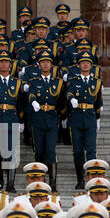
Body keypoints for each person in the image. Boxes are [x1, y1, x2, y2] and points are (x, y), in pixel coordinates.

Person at [0, 50, 24, 193]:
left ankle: (10, 183)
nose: (4, 64)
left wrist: (21, 121)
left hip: (12, 120)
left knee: (11, 153)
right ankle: (0, 181)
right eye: (1, 62)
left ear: (10, 65)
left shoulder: (17, 82)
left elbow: (20, 103)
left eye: (6, 62)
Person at [27, 50, 66, 191]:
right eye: (42, 62)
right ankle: (39, 180)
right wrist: (34, 102)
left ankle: (53, 182)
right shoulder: (34, 82)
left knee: (50, 150)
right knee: (39, 150)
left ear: (51, 64)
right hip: (37, 119)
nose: (45, 64)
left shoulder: (58, 82)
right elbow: (31, 95)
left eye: (47, 62)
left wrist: (63, 117)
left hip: (52, 118)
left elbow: (62, 101)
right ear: (39, 65)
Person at [65, 51, 103, 189]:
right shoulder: (74, 81)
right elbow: (68, 92)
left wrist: (98, 118)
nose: (85, 65)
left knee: (91, 150)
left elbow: (98, 101)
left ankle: (91, 179)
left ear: (91, 66)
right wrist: (72, 99)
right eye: (83, 63)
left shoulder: (97, 82)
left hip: (90, 118)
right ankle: (80, 179)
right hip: (76, 118)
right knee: (78, 151)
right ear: (79, 65)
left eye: (88, 63)